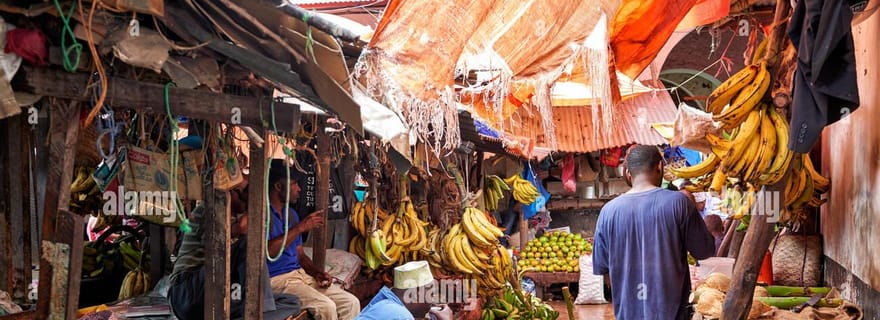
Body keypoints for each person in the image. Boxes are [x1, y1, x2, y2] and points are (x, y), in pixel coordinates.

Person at [592, 145, 716, 319]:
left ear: (628, 173)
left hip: (628, 314)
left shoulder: (607, 212)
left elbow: (603, 267)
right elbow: (704, 251)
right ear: (660, 167)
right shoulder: (679, 203)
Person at [167, 200, 302, 320]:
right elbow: (242, 229)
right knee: (248, 244)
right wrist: (253, 203)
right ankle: (258, 312)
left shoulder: (234, 217)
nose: (245, 200)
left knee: (292, 302)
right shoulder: (211, 206)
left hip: (217, 293)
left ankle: (256, 311)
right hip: (187, 291)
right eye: (242, 195)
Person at [265, 159, 361, 320]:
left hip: (300, 276)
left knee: (351, 302)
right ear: (278, 187)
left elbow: (300, 256)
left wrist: (317, 273)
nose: (299, 189)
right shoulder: (262, 215)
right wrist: (300, 228)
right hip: (277, 281)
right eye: (294, 183)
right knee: (326, 307)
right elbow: (268, 251)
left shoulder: (292, 215)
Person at [356, 261, 453, 320]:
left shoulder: (384, 306)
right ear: (415, 294)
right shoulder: (400, 315)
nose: (433, 302)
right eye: (431, 294)